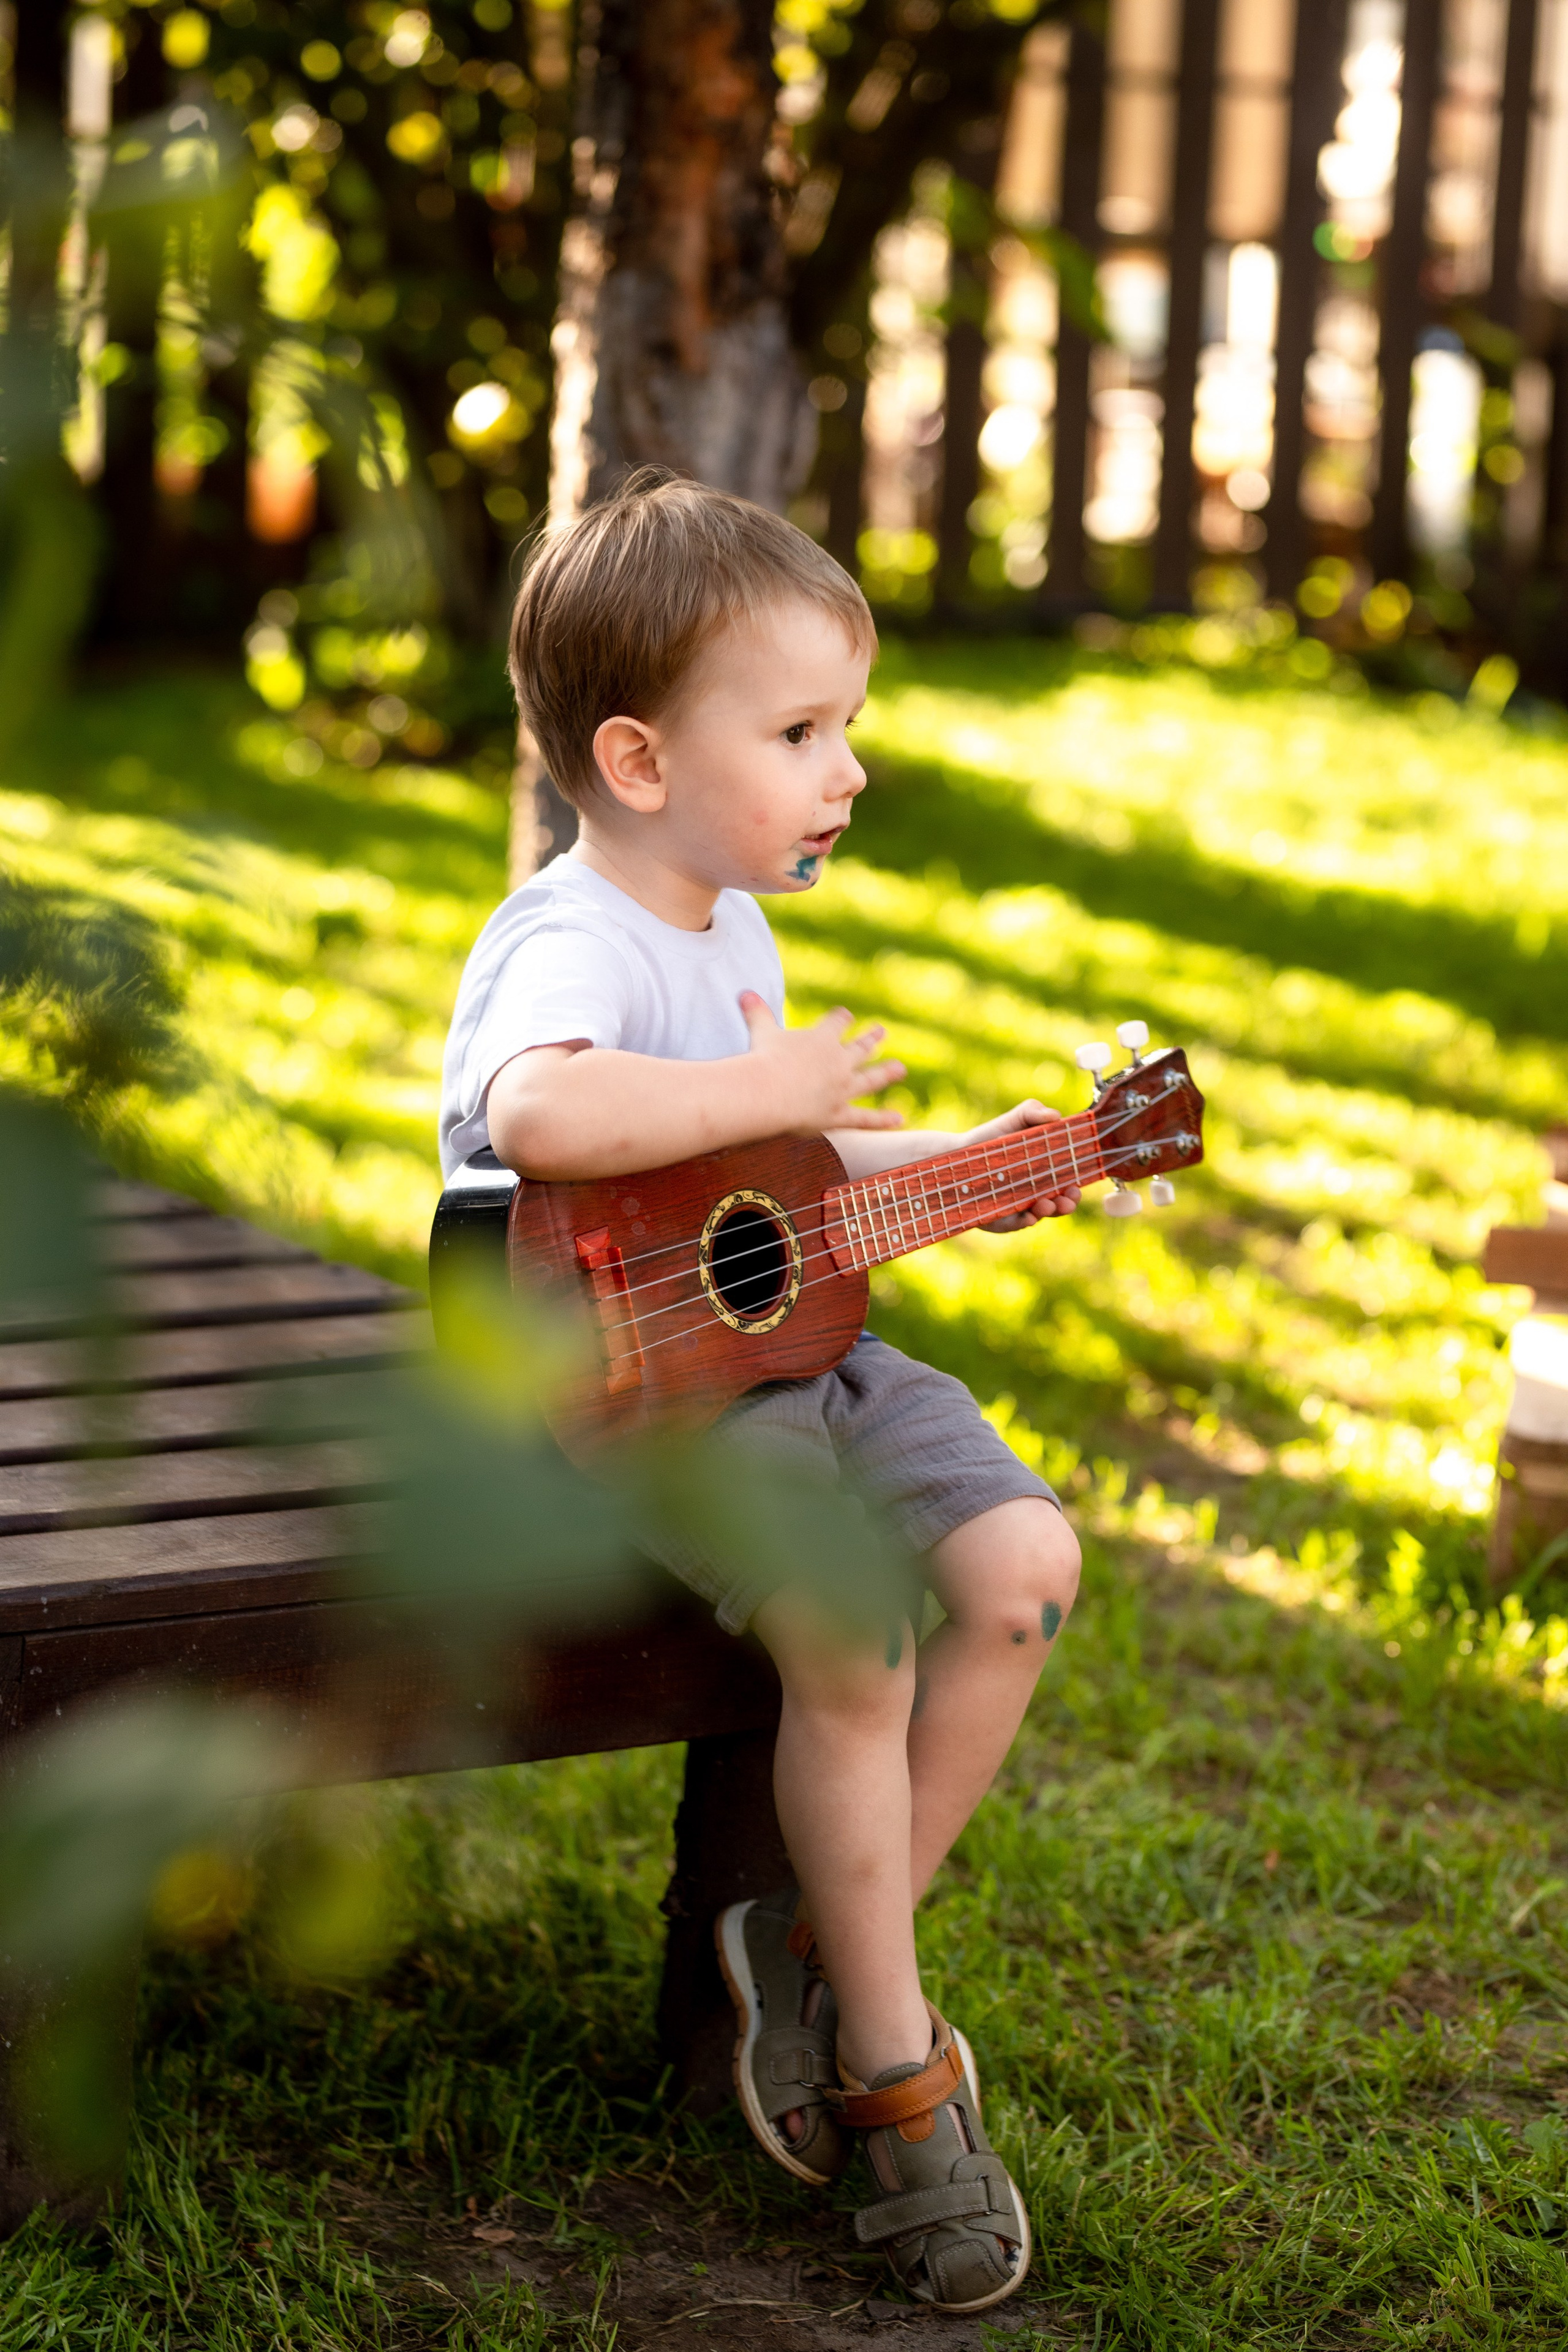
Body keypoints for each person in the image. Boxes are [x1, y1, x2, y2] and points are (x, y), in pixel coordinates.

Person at [439, 469, 1082, 2316]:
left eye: (845, 727)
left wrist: (980, 1162)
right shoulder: (575, 932)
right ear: (637, 762)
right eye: (802, 733)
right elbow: (542, 1110)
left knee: (1024, 1570)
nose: (847, 771)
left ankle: (803, 1945)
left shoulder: (729, 920)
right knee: (854, 1637)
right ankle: (892, 2059)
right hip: (628, 1394)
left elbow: (763, 1189)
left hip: (783, 1346)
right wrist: (764, 1089)